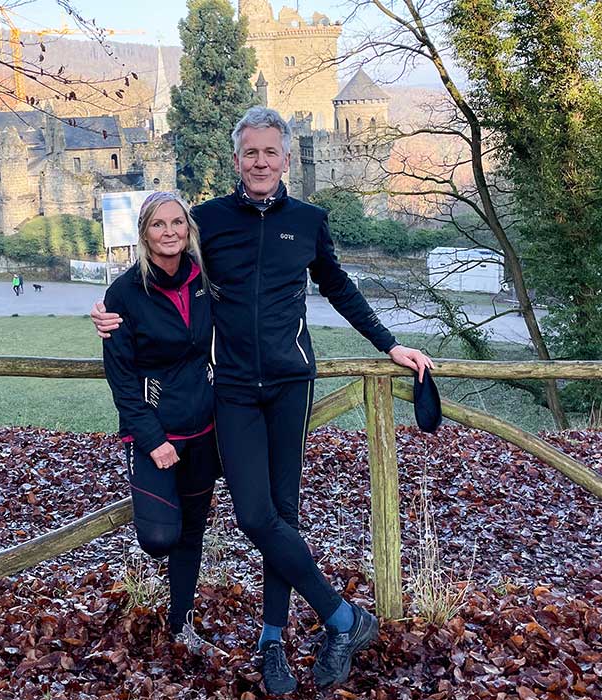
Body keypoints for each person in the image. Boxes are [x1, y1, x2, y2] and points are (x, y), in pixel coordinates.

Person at [94, 107, 435, 693]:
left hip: (289, 385)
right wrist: (110, 313)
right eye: (250, 152)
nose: (260, 162)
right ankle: (345, 618)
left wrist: (390, 343)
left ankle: (272, 640)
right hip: (230, 389)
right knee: (254, 515)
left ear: (285, 159)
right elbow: (160, 267)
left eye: (270, 153)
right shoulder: (208, 222)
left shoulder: (308, 221)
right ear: (237, 159)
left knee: (283, 514)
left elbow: (339, 286)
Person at [101, 191, 220, 639]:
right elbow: (121, 380)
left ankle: (181, 623)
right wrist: (153, 440)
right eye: (158, 224)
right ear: (144, 233)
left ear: (188, 229)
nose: (169, 232)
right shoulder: (125, 294)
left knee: (192, 534)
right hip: (154, 433)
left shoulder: (204, 280)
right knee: (158, 539)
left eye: (177, 223)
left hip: (203, 428)